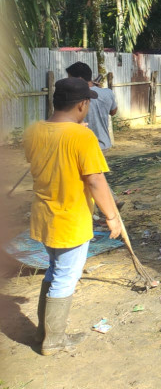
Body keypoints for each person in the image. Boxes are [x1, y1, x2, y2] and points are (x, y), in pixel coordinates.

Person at [23, 78, 122, 356]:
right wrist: (112, 216)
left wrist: (76, 132)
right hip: (70, 219)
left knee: (54, 271)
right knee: (66, 276)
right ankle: (53, 341)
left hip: (43, 215)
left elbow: (47, 157)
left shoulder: (34, 131)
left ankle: (44, 333)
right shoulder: (82, 137)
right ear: (82, 104)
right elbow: (94, 180)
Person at [65, 62, 118, 151]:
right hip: (104, 146)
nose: (69, 81)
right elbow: (113, 112)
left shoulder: (73, 96)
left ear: (79, 79)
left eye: (70, 78)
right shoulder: (108, 93)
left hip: (84, 147)